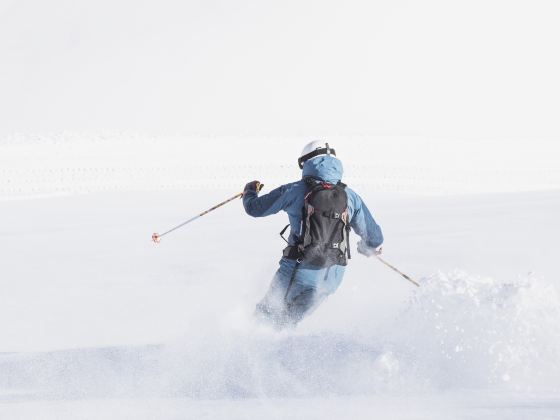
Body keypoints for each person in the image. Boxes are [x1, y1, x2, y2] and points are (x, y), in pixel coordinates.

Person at [243, 141, 383, 329]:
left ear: (306, 163)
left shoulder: (294, 190)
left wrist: (250, 191)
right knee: (287, 323)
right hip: (331, 279)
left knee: (264, 319)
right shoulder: (350, 196)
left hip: (298, 271)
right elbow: (374, 238)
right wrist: (367, 248)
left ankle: (243, 353)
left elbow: (255, 209)